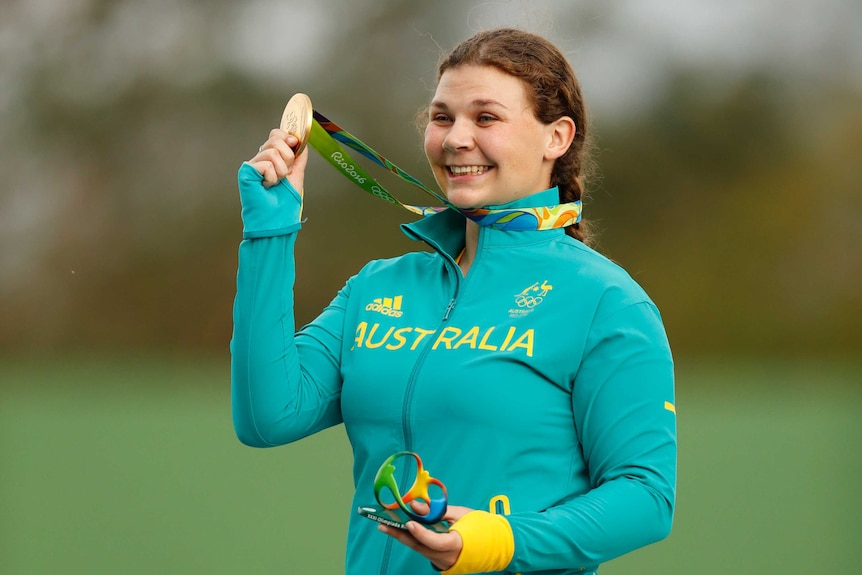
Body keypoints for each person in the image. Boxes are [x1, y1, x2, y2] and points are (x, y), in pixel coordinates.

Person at [231, 27, 676, 575]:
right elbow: (265, 416)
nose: (455, 138)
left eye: (485, 118)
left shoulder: (606, 303)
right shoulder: (378, 287)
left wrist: (500, 542)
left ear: (556, 137)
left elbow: (646, 497)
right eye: (443, 118)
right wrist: (270, 231)